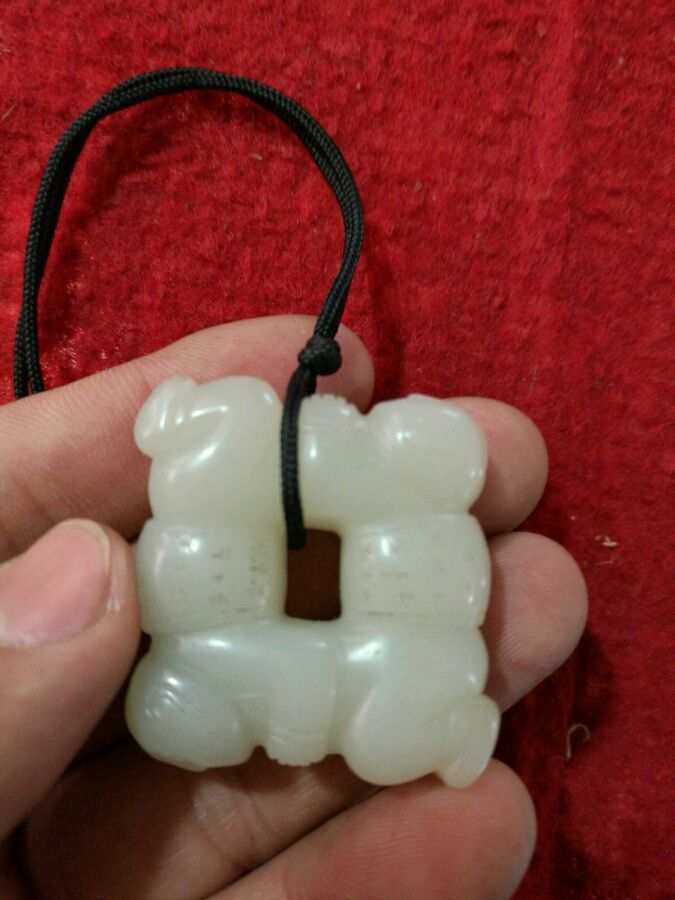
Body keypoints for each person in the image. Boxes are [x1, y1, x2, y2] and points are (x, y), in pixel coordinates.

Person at [0, 316, 587, 899]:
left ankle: (448, 726)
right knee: (377, 746)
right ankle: (445, 727)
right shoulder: (226, 452)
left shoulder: (252, 445)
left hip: (383, 634)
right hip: (242, 648)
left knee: (383, 747)